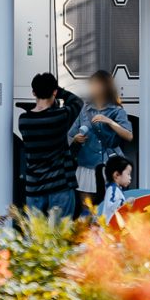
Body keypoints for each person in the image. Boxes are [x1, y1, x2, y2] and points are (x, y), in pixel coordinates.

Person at [18, 72, 83, 221]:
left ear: (33, 92)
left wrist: (53, 91)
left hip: (34, 187)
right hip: (60, 186)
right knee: (61, 232)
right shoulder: (61, 116)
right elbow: (77, 102)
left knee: (35, 233)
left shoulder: (24, 120)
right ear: (54, 92)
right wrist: (59, 91)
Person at [69, 69, 133, 213]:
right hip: (87, 166)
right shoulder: (85, 110)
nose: (94, 87)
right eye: (92, 84)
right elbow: (71, 136)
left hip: (110, 167)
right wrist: (76, 139)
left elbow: (129, 135)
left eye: (97, 84)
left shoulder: (117, 111)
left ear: (106, 86)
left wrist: (109, 121)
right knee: (86, 211)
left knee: (113, 208)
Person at [97, 154, 132, 223]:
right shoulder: (112, 189)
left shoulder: (116, 189)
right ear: (117, 175)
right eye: (128, 174)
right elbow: (110, 205)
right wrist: (122, 203)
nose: (130, 178)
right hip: (109, 226)